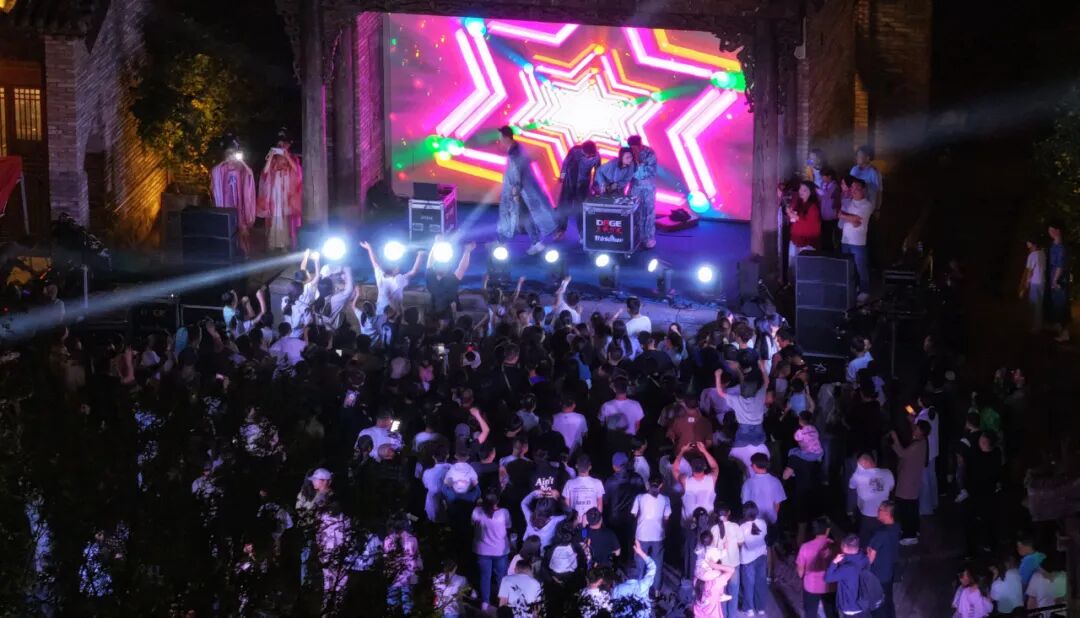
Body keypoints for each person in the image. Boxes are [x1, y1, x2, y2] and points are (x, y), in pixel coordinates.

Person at [497, 125, 556, 255]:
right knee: (524, 216)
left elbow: (517, 172)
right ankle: (535, 242)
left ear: (506, 138)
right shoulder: (517, 148)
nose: (499, 140)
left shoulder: (514, 153)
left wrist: (515, 190)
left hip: (520, 191)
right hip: (522, 191)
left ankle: (502, 241)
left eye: (501, 138)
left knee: (513, 215)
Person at [210, 138, 257, 253]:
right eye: (229, 154)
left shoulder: (240, 168)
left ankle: (244, 249)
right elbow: (214, 172)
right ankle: (230, 249)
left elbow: (250, 174)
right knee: (228, 224)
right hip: (227, 200)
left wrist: (242, 162)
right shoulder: (223, 168)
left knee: (241, 224)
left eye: (233, 154)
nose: (231, 156)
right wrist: (223, 162)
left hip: (239, 200)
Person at [257, 136, 302, 251]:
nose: (281, 147)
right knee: (274, 217)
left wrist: (287, 156)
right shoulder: (273, 159)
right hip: (274, 194)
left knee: (285, 219)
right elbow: (265, 172)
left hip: (286, 194)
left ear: (288, 145)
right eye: (279, 145)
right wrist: (271, 156)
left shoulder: (292, 158)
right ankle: (273, 243)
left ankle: (284, 244)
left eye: (283, 145)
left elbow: (297, 171)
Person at [359, 240, 426, 316]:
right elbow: (414, 271)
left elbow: (375, 262)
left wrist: (369, 248)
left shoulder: (381, 276)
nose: (398, 268)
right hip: (394, 315)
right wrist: (420, 255)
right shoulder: (398, 280)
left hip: (380, 313)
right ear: (394, 270)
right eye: (397, 267)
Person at [890, 422, 928, 545]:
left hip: (908, 480)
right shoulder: (923, 441)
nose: (914, 429)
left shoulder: (916, 445)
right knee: (912, 506)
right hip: (913, 479)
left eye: (916, 428)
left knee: (906, 507)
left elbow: (902, 453)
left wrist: (895, 438)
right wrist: (911, 421)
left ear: (921, 431)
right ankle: (914, 530)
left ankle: (909, 535)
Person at [630, 476, 670, 595]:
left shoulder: (639, 497)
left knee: (640, 562)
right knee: (657, 563)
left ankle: (639, 590)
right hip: (658, 535)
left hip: (641, 534)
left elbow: (633, 514)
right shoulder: (665, 499)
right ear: (661, 485)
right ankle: (656, 590)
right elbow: (666, 518)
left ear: (648, 484)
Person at [472, 492, 512, 611]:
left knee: (485, 577)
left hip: (482, 551)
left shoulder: (477, 512)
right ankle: (503, 603)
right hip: (500, 550)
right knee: (501, 577)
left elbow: (472, 524)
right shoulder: (504, 512)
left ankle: (485, 603)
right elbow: (508, 526)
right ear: (497, 501)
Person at [555, 140, 600, 240]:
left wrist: (595, 186)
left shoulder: (597, 157)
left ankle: (582, 234)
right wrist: (562, 177)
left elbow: (598, 171)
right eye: (586, 154)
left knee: (580, 209)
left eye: (590, 155)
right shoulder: (575, 151)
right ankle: (560, 231)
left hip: (583, 185)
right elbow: (565, 164)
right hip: (569, 182)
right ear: (582, 150)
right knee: (564, 207)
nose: (588, 157)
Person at [839, 177, 875, 297]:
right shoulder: (848, 202)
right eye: (852, 188)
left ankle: (865, 291)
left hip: (858, 242)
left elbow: (857, 221)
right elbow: (841, 215)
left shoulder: (867, 205)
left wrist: (848, 217)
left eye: (857, 188)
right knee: (848, 267)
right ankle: (852, 288)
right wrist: (851, 218)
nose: (853, 190)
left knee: (861, 267)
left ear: (863, 190)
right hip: (845, 240)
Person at [426, 237, 475, 323]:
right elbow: (462, 268)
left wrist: (435, 245)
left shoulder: (431, 277)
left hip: (435, 316)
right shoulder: (450, 280)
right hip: (444, 316)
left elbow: (429, 263)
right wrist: (467, 252)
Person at [825, 534, 875, 618]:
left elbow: (827, 578)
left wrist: (834, 562)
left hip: (851, 607)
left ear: (844, 547)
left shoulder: (846, 568)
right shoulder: (865, 558)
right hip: (864, 603)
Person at [796, 516, 837, 618]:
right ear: (827, 530)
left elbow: (800, 571)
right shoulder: (834, 546)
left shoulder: (805, 547)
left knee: (810, 613)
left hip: (811, 586)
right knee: (832, 613)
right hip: (830, 586)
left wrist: (803, 577)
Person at [866, 501, 901, 618]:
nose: (877, 512)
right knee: (888, 601)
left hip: (878, 575)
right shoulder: (896, 527)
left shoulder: (880, 534)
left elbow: (870, 558)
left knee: (877, 605)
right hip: (889, 572)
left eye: (879, 510)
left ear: (887, 513)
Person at [692, 529, 735, 618]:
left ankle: (720, 595)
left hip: (698, 573)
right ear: (712, 541)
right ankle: (721, 594)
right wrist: (725, 548)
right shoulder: (712, 550)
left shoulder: (699, 549)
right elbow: (723, 557)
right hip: (706, 574)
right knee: (719, 573)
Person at [787, 180, 823, 281]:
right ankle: (793, 284)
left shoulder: (813, 207)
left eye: (804, 190)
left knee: (805, 267)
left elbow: (813, 226)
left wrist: (797, 218)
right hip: (795, 239)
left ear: (811, 192)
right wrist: (790, 214)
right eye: (800, 189)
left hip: (806, 241)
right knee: (793, 265)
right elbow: (794, 220)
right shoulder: (798, 203)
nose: (801, 192)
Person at [612, 541, 659, 617]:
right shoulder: (644, 585)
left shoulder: (617, 589)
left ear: (626, 576)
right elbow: (652, 566)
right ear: (639, 576)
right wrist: (641, 552)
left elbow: (614, 609)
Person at [627, 135, 658, 249]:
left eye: (636, 147)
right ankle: (634, 237)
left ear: (640, 144)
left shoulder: (649, 153)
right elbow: (626, 170)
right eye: (632, 147)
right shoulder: (628, 153)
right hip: (635, 187)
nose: (634, 149)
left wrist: (638, 163)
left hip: (648, 187)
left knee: (648, 212)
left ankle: (648, 238)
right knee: (633, 211)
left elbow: (649, 171)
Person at [739, 501, 769, 616]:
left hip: (748, 559)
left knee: (748, 584)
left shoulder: (742, 527)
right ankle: (760, 608)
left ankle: (749, 609)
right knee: (760, 582)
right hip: (761, 556)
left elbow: (740, 543)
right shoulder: (763, 523)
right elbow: (763, 536)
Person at [563, 454, 604, 524]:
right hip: (591, 522)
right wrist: (596, 523)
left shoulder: (569, 483)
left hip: (575, 521)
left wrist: (571, 522)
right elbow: (599, 505)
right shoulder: (598, 483)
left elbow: (567, 504)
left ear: (576, 466)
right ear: (590, 467)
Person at [1047, 221, 1070, 342]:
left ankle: (1065, 333)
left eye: (1051, 230)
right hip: (1054, 279)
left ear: (1058, 231)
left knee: (1061, 307)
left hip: (1059, 281)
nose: (1049, 232)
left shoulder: (1061, 247)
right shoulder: (1054, 245)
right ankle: (1059, 328)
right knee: (1056, 306)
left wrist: (1055, 281)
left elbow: (1060, 266)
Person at [1019, 238, 1047, 333]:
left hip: (1035, 282)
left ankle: (1035, 326)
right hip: (1042, 282)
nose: (1028, 246)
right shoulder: (1042, 254)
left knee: (1034, 305)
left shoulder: (1032, 255)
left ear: (1033, 244)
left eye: (1029, 244)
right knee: (1039, 305)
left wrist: (1026, 282)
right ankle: (1039, 324)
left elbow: (1030, 271)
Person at [849, 145, 882, 212]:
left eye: (859, 156)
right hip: (854, 206)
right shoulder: (854, 169)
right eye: (856, 155)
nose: (857, 158)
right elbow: (849, 186)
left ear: (867, 158)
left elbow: (879, 191)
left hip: (867, 207)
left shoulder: (873, 172)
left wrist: (877, 209)